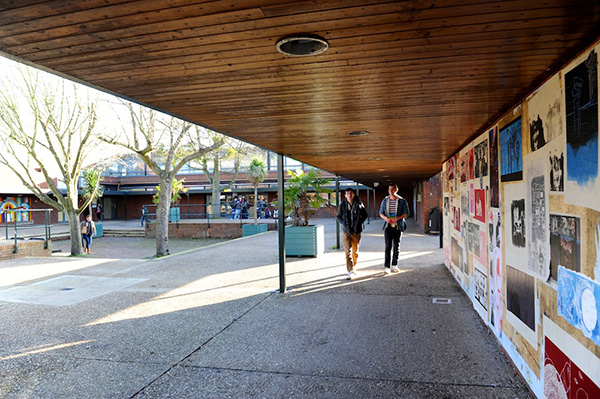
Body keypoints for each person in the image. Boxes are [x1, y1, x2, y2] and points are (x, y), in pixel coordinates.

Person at [336, 187, 368, 280]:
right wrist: (343, 223)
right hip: (346, 231)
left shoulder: (359, 203)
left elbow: (365, 215)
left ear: (353, 194)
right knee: (347, 252)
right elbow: (338, 216)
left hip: (356, 231)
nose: (349, 195)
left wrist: (359, 222)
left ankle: (354, 266)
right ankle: (350, 270)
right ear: (345, 195)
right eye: (347, 193)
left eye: (351, 193)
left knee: (355, 252)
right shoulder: (342, 205)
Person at [379, 183, 410, 274]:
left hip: (398, 226)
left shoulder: (402, 201)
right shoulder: (385, 200)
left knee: (396, 246)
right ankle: (387, 266)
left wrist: (398, 218)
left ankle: (395, 265)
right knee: (388, 246)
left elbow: (407, 213)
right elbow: (381, 213)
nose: (391, 191)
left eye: (392, 189)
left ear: (396, 190)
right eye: (389, 189)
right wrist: (386, 218)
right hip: (388, 226)